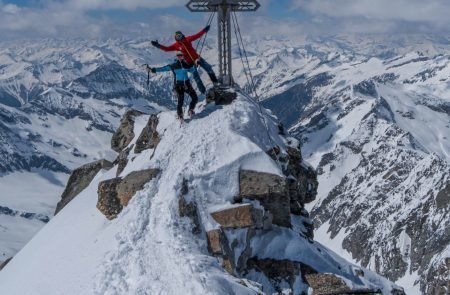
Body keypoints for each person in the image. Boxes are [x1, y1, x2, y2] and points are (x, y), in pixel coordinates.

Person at [151, 26, 218, 94]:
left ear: (182, 35)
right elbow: (167, 49)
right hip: (190, 63)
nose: (179, 37)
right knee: (197, 78)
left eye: (179, 35)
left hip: (197, 58)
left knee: (208, 68)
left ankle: (215, 83)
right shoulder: (176, 45)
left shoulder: (188, 39)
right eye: (177, 36)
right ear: (175, 37)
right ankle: (203, 92)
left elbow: (197, 35)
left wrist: (204, 30)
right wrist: (158, 45)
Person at [147, 52, 199, 120]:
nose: (180, 56)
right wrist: (153, 70)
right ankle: (180, 115)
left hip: (187, 84)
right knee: (181, 101)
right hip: (179, 85)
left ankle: (190, 110)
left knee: (195, 97)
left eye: (181, 55)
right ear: (176, 56)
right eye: (178, 55)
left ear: (183, 56)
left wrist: (195, 65)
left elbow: (192, 70)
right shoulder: (173, 65)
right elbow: (164, 68)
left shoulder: (186, 65)